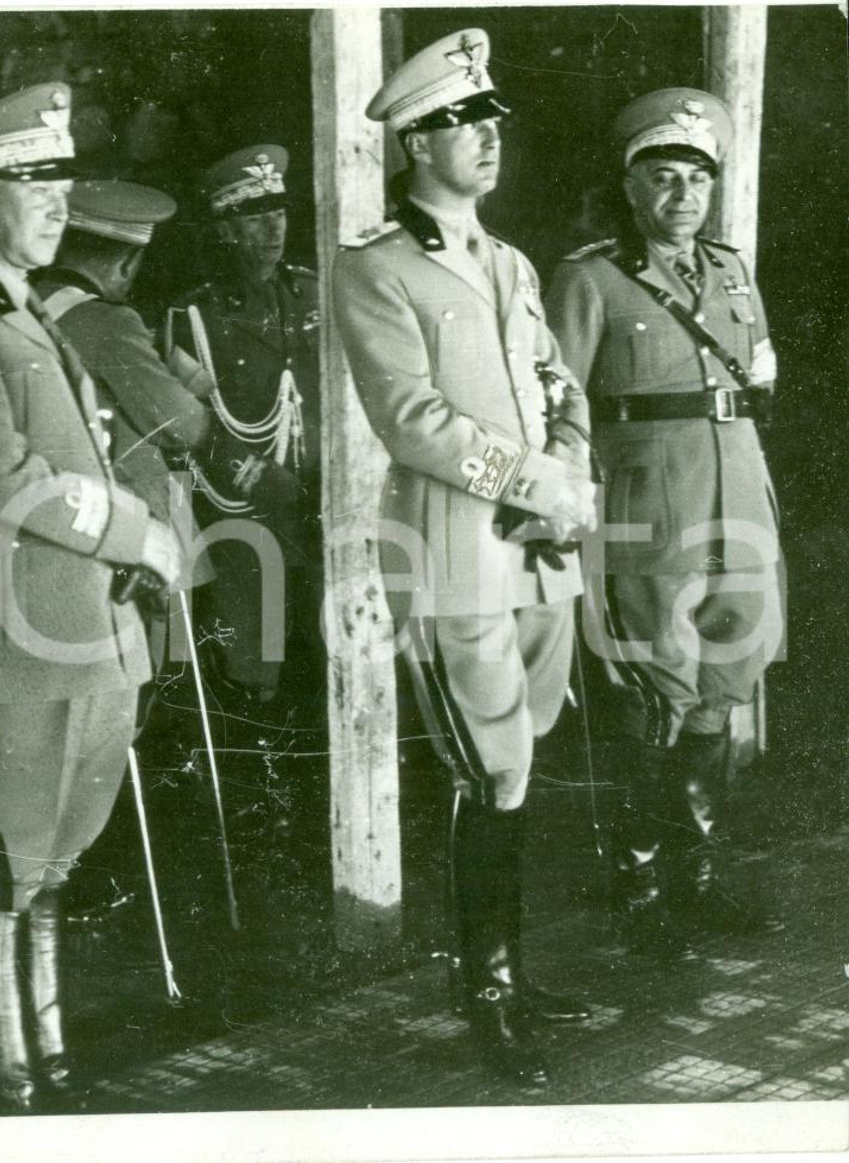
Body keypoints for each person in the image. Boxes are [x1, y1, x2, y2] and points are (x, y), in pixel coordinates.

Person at [0, 83, 185, 1112]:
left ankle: (54, 1055)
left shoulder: (31, 311)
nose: (56, 201)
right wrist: (133, 531)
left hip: (87, 630)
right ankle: (13, 1075)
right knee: (4, 864)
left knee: (59, 854)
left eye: (60, 177)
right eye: (30, 179)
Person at [332, 29, 597, 1086]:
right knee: (487, 766)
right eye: (456, 121)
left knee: (521, 754)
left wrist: (569, 470)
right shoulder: (376, 268)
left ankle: (509, 972)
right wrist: (533, 483)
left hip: (540, 553)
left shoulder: (512, 263)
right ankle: (485, 989)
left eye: (486, 117)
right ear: (413, 145)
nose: (484, 136)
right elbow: (413, 420)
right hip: (456, 555)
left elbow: (559, 382)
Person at [544, 88, 785, 961]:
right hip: (649, 507)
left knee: (726, 678)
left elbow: (754, 376)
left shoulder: (730, 270)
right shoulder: (591, 276)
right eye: (663, 177)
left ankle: (697, 876)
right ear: (632, 186)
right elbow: (558, 400)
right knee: (659, 688)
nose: (683, 195)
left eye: (696, 179)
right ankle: (639, 883)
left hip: (738, 496)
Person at [32, 178, 304, 911]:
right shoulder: (107, 320)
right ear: (121, 263)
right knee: (133, 700)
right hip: (133, 529)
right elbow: (182, 423)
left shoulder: (31, 307)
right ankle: (96, 862)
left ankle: (78, 860)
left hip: (59, 530)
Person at [166, 144, 322, 712]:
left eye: (277, 213)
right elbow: (188, 421)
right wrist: (259, 475)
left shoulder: (313, 292)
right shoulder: (195, 317)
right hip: (244, 507)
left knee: (324, 643)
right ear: (225, 229)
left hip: (316, 497)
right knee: (254, 660)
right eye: (254, 217)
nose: (271, 228)